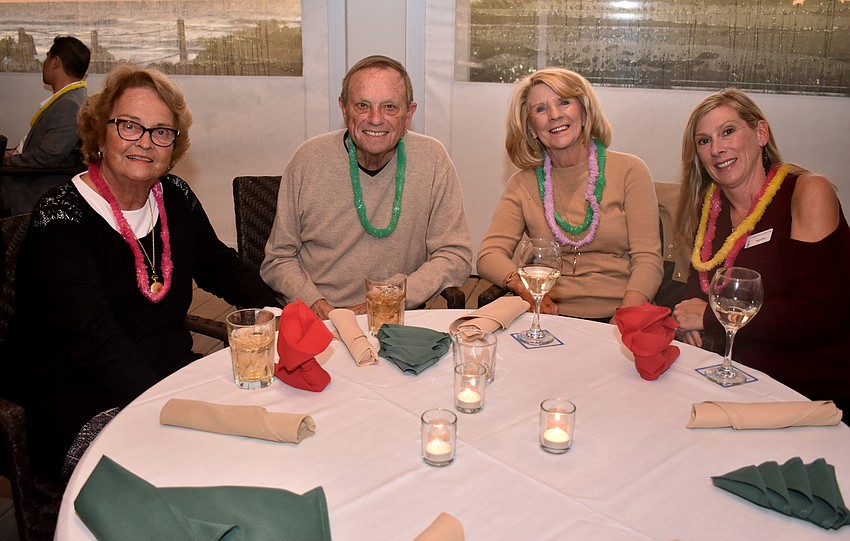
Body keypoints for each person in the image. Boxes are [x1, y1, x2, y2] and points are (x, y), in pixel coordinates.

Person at [0, 64, 280, 480]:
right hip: (75, 396)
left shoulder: (174, 195)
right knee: (179, 475)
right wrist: (169, 407)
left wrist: (277, 308)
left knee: (260, 442)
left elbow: (218, 265)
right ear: (100, 132)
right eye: (129, 126)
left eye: (161, 131)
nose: (145, 143)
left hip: (163, 376)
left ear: (173, 145)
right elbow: (95, 339)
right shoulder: (60, 219)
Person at [672, 88, 850, 413]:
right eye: (704, 140)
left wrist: (710, 318)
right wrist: (689, 324)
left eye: (728, 131)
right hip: (732, 378)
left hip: (806, 391)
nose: (717, 148)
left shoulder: (808, 192)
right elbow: (698, 291)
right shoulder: (711, 205)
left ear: (760, 133)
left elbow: (821, 315)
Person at [261, 55, 472, 319]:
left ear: (409, 114)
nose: (375, 119)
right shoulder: (308, 160)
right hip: (316, 318)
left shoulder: (433, 159)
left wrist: (392, 299)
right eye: (362, 105)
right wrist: (322, 308)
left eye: (390, 107)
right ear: (344, 109)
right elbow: (278, 260)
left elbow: (455, 255)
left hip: (396, 317)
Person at [476, 68, 662, 321]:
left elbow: (648, 259)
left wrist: (625, 317)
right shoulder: (522, 183)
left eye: (564, 102)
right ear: (531, 128)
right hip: (547, 316)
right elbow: (489, 255)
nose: (554, 115)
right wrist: (521, 286)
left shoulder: (631, 170)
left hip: (617, 315)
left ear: (584, 113)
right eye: (540, 109)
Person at [2, 36, 90, 216]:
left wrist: (5, 161)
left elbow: (47, 157)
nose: (44, 63)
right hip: (27, 174)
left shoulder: (70, 105)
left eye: (47, 57)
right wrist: (15, 152)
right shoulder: (70, 98)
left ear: (55, 61)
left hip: (30, 187)